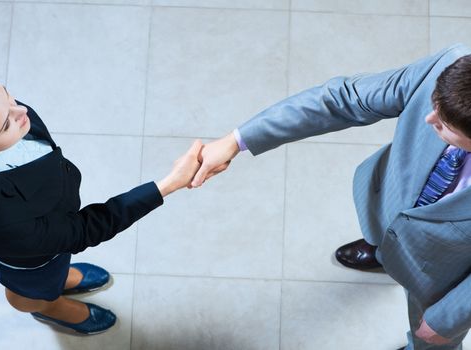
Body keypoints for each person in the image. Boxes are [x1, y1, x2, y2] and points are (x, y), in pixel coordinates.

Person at [191, 43, 471, 350]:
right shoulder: (453, 66)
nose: (429, 119)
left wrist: (447, 319)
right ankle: (382, 253)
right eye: (433, 107)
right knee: (383, 236)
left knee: (429, 338)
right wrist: (236, 141)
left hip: (441, 272)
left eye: (444, 125)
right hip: (386, 206)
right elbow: (343, 99)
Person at [0, 72, 202, 335]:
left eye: (8, 95)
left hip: (48, 226)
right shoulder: (2, 221)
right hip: (31, 258)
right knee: (32, 288)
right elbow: (84, 230)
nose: (21, 111)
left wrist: (6, 114)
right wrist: (169, 184)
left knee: (56, 268)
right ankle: (48, 307)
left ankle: (59, 278)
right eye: (6, 124)